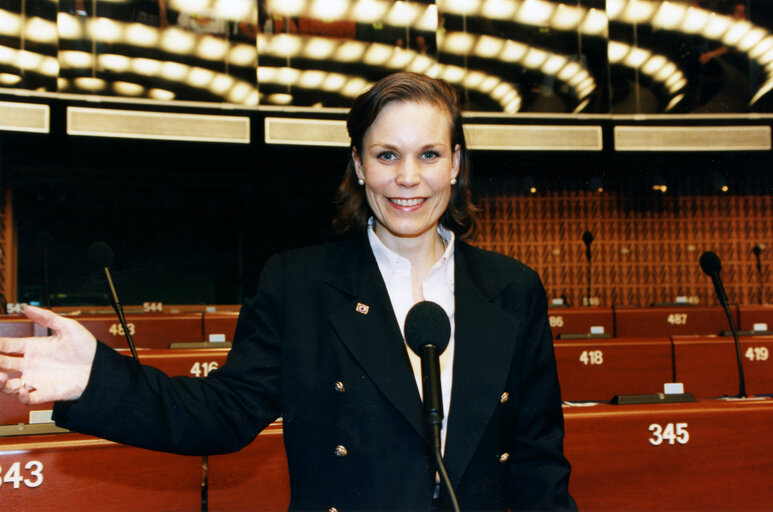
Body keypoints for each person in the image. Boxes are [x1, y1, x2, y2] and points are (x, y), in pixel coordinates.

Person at [1, 72, 575, 511]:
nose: (407, 177)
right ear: (357, 165)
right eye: (385, 155)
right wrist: (97, 376)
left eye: (428, 154)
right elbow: (222, 413)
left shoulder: (512, 290)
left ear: (455, 164)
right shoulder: (299, 284)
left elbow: (539, 463)